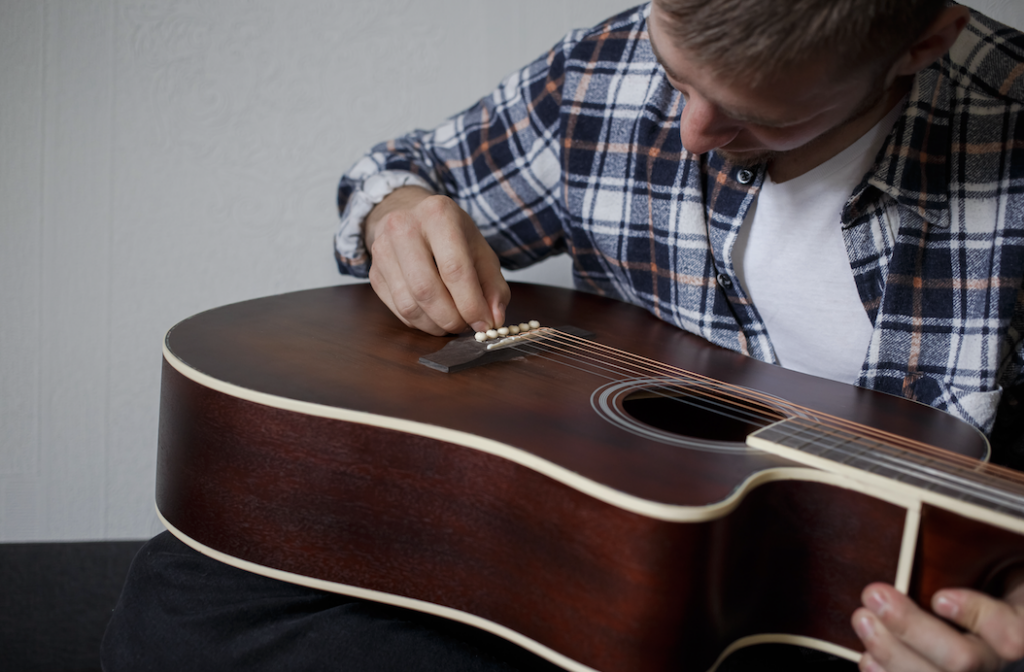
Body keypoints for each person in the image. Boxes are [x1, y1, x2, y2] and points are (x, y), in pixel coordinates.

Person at [103, 1, 1024, 670]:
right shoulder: (602, 73)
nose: (691, 134)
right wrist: (400, 212)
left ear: (922, 44)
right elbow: (401, 169)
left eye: (762, 115)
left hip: (830, 612)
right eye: (676, 75)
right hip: (600, 559)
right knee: (184, 599)